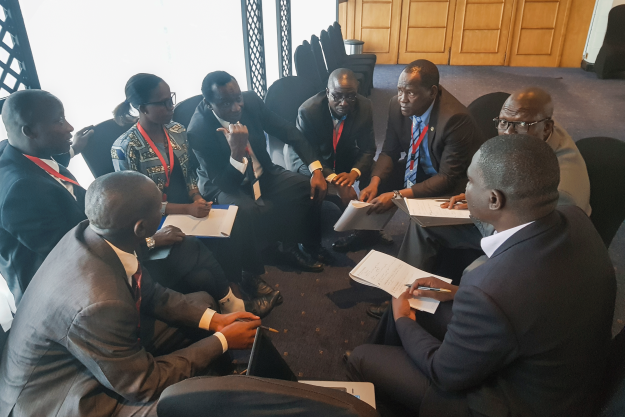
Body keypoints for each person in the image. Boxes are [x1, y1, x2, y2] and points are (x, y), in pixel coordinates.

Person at [346, 134, 616, 417]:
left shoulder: (491, 290)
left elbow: (445, 373)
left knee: (364, 358)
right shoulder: (576, 219)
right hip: (565, 377)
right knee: (414, 300)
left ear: (494, 199)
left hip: (517, 403)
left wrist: (403, 320)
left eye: (471, 181)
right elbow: (529, 305)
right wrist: (456, 292)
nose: (465, 188)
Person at [0, 171, 261, 416]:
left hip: (82, 351)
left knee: (203, 303)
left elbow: (152, 294)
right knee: (190, 403)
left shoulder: (95, 233)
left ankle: (223, 377)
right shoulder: (98, 303)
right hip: (58, 397)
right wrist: (223, 341)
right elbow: (143, 384)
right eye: (159, 209)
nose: (162, 212)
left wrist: (216, 321)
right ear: (141, 228)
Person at [111, 73, 280, 316]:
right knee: (212, 240)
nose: (171, 107)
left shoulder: (177, 130)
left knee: (233, 218)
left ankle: (245, 281)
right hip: (152, 220)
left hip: (185, 206)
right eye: (163, 103)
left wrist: (195, 197)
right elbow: (136, 204)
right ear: (142, 108)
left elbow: (191, 173)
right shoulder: (125, 147)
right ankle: (235, 302)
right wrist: (185, 209)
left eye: (171, 99)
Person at [333, 59, 484, 252]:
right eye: (399, 90)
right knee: (373, 176)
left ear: (432, 92)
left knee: (423, 226)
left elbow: (447, 178)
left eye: (411, 93)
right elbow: (389, 151)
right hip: (418, 164)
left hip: (451, 181)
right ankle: (368, 235)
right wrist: (375, 183)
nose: (402, 98)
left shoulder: (454, 119)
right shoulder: (396, 105)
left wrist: (397, 196)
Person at [187, 71, 331, 271]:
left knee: (308, 187)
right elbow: (225, 183)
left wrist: (316, 169)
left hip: (262, 172)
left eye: (238, 98)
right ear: (208, 103)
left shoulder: (251, 101)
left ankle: (307, 245)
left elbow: (287, 130)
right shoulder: (199, 130)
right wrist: (236, 152)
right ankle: (251, 276)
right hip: (223, 184)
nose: (236, 107)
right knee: (243, 210)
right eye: (226, 103)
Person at [0, 90, 93, 305]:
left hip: (81, 263)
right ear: (29, 131)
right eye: (59, 121)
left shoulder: (18, 151)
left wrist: (73, 150)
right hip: (61, 295)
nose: (70, 127)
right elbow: (77, 251)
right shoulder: (22, 190)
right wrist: (147, 241)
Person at [287, 68, 376, 212]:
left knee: (374, 172)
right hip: (308, 156)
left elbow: (368, 149)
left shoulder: (364, 107)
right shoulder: (309, 111)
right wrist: (338, 183)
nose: (344, 103)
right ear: (328, 92)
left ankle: (366, 219)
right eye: (337, 96)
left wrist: (354, 173)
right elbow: (311, 154)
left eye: (350, 96)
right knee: (310, 180)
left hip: (342, 150)